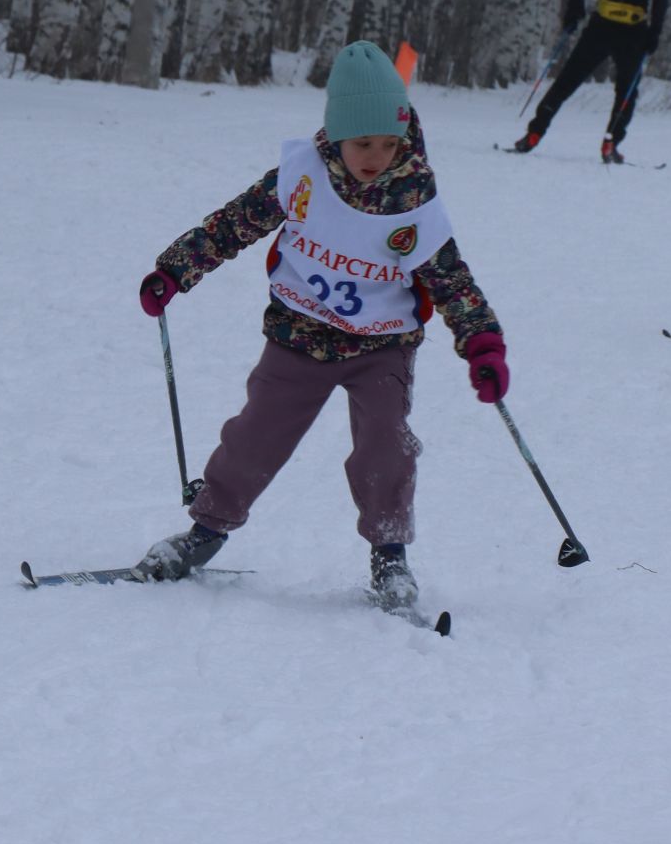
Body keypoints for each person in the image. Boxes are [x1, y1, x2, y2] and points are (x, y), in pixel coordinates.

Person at [131, 41, 508, 613]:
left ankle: (390, 556)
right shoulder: (301, 174)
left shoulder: (412, 194)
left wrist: (482, 343)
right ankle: (204, 532)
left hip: (382, 346)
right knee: (253, 438)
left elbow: (450, 277)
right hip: (297, 339)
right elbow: (236, 223)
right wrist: (175, 269)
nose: (376, 156)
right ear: (335, 134)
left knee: (386, 447)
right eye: (363, 143)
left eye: (389, 143)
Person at [512, 0, 671, 164]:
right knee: (627, 91)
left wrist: (574, 11)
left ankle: (534, 133)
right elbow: (662, 0)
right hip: (633, 31)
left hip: (601, 25)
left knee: (566, 81)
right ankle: (611, 142)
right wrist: (654, 33)